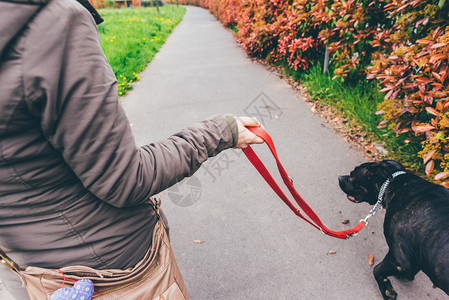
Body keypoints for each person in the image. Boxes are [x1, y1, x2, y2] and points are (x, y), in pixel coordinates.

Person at [0, 0, 263, 299]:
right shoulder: (53, 24)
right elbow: (124, 180)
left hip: (29, 273)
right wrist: (219, 131)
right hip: (115, 271)